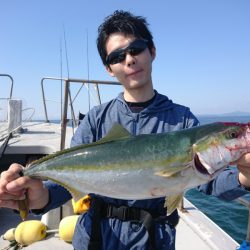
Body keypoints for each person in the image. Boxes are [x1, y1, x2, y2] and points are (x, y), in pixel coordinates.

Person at [0, 10, 250, 250]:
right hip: (95, 240)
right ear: (109, 68)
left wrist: (245, 177)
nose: (129, 59)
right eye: (117, 56)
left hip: (153, 241)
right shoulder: (97, 119)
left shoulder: (182, 120)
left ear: (151, 51)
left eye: (136, 49)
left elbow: (211, 184)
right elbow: (62, 189)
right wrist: (36, 196)